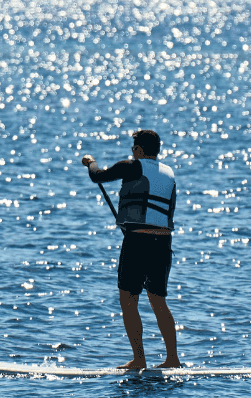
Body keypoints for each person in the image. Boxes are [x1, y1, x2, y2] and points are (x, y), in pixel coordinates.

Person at [81, 129, 182, 371]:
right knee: (158, 302)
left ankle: (139, 359)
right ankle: (172, 359)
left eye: (133, 148)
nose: (131, 152)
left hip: (137, 243)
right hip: (163, 244)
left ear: (138, 150)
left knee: (129, 300)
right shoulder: (169, 174)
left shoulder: (131, 166)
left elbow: (98, 176)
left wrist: (90, 161)